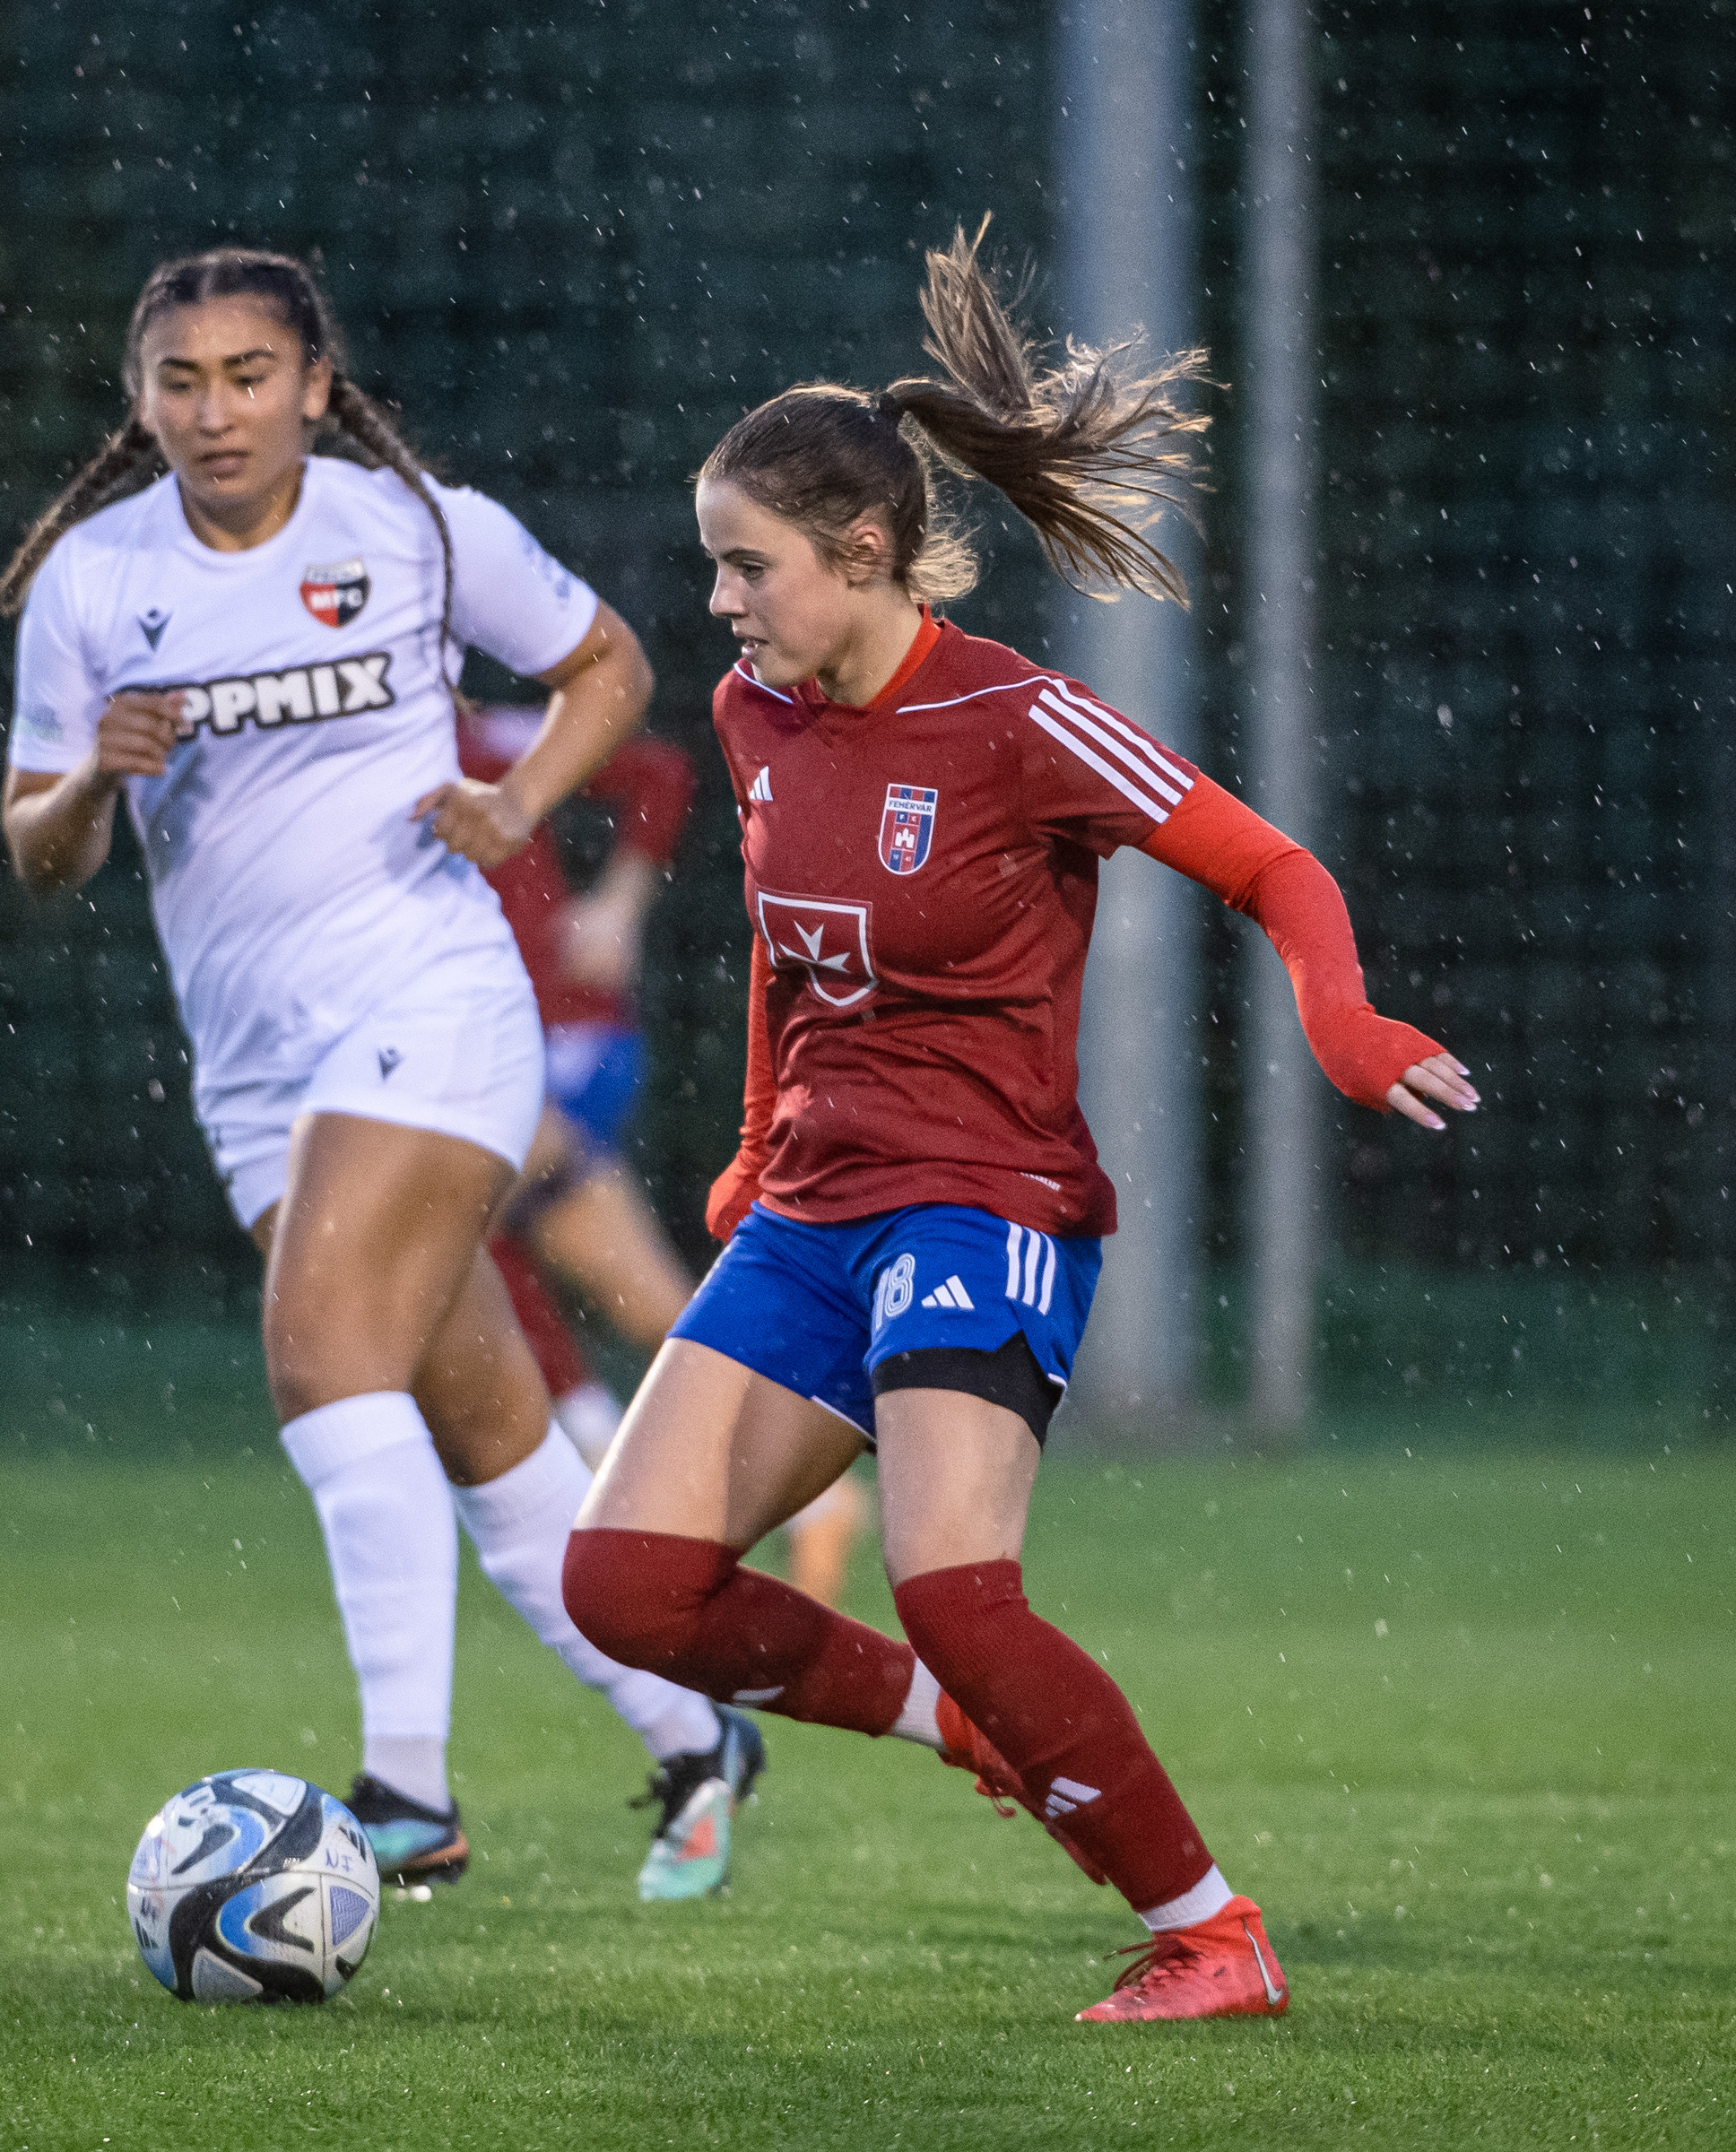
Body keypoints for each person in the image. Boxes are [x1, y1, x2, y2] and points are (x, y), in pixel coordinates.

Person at [560, 225, 1479, 2019]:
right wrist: (752, 1140)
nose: (722, 604)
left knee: (959, 1586)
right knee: (630, 1585)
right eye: (714, 566)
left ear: (862, 551)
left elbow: (1270, 865)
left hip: (983, 1199)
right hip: (814, 1208)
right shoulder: (756, 715)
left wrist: (1346, 1021)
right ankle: (958, 1720)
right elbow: (783, 953)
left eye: (747, 566)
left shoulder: (1021, 718)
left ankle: (1212, 1935)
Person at [0, 246, 762, 1905]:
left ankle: (405, 1793)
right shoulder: (91, 584)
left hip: (432, 1004)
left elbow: (612, 670)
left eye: (250, 375)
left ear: (316, 389)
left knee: (322, 1356)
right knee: (480, 1423)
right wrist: (90, 786)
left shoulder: (413, 529)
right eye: (181, 381)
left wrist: (517, 805)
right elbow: (39, 855)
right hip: (254, 1069)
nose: (217, 411)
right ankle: (694, 1729)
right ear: (141, 402)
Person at [462, 700, 873, 1602]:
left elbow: (660, 771)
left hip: (560, 1037)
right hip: (493, 1045)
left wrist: (619, 904)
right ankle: (813, 1494)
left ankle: (597, 1448)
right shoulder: (383, 749)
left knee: (448, 1225)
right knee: (643, 1299)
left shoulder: (486, 738)